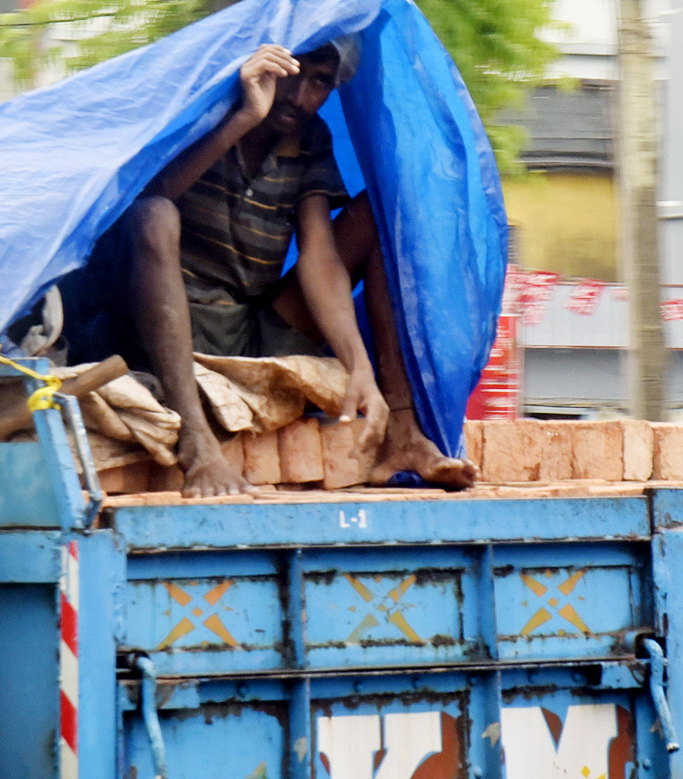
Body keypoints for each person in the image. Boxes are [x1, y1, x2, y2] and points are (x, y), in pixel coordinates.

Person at [63, 38, 479, 497]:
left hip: (248, 324)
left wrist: (358, 363)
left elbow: (320, 255)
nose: (301, 97)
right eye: (291, 72)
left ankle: (401, 433)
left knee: (374, 219)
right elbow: (149, 194)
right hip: (158, 324)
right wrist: (245, 116)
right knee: (154, 214)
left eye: (320, 81)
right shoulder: (208, 113)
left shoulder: (310, 138)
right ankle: (197, 444)